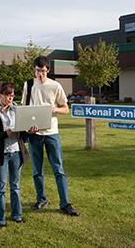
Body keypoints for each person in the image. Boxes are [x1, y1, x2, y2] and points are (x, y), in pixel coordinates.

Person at [21, 56, 79, 216]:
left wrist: (55, 110)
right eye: (38, 71)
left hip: (52, 133)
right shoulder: (29, 85)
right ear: (34, 69)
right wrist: (27, 128)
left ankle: (65, 203)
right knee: (36, 170)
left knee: (58, 170)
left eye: (44, 71)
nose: (41, 74)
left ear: (48, 70)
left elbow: (66, 108)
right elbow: (24, 109)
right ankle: (41, 199)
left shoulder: (55, 86)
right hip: (34, 134)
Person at [0, 83, 38, 227]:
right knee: (1, 187)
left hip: (16, 153)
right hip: (0, 154)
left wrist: (30, 131)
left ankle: (17, 216)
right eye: (7, 95)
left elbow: (22, 132)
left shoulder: (17, 110)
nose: (10, 98)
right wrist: (5, 134)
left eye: (12, 95)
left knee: (15, 186)